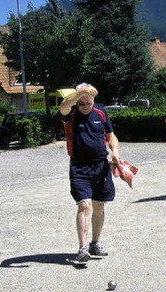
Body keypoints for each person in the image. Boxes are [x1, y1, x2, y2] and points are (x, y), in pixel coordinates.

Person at [59, 83, 121, 262]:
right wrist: (80, 92)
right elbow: (63, 105)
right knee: (85, 205)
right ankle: (82, 248)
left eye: (89, 103)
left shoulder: (101, 113)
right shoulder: (70, 114)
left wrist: (115, 152)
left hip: (101, 166)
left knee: (99, 206)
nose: (85, 107)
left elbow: (111, 136)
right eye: (81, 103)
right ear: (77, 101)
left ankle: (95, 243)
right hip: (79, 167)